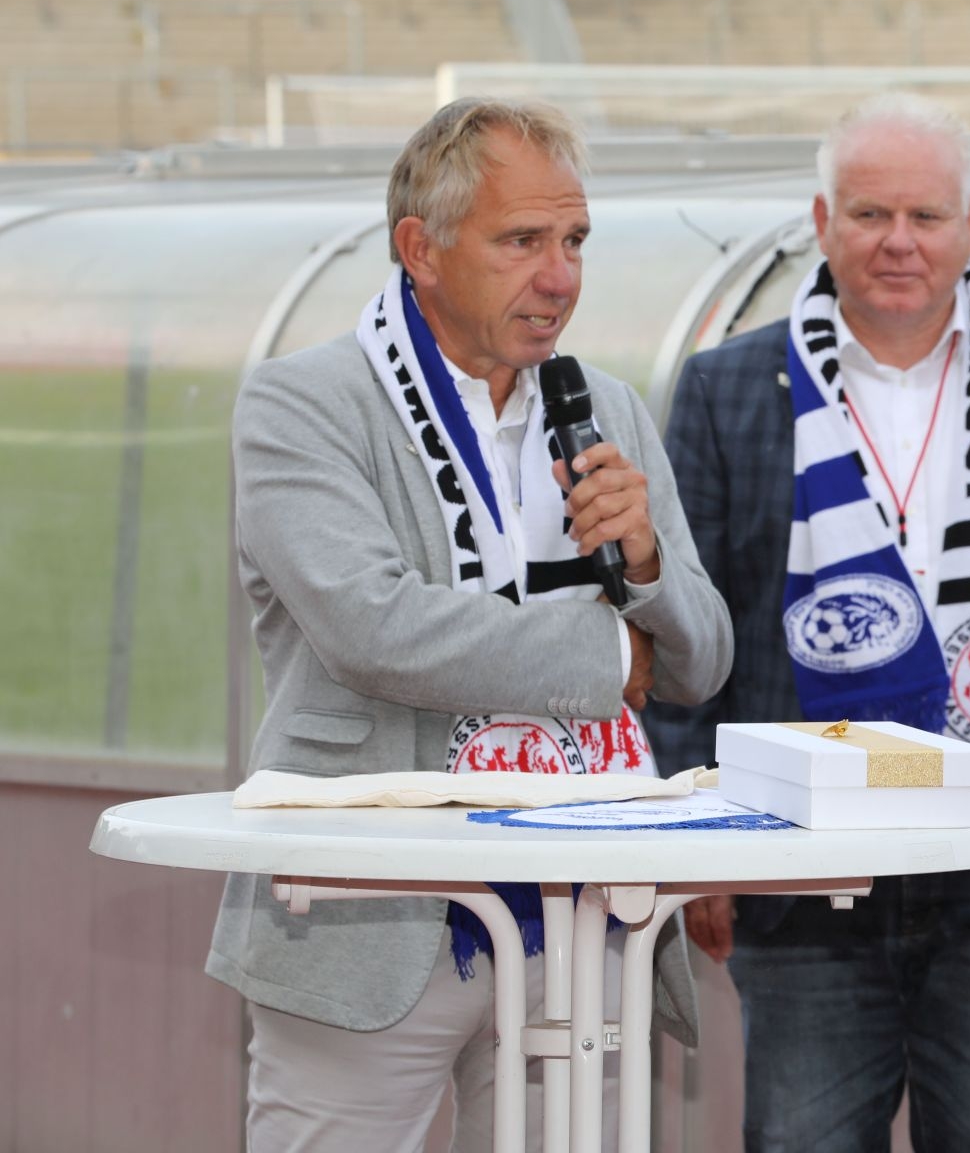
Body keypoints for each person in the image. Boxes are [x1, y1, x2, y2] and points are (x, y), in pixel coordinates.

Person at [645, 93, 970, 1152]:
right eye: (870, 213)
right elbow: (686, 629)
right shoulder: (727, 386)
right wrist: (693, 841)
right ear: (822, 221)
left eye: (926, 216)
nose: (899, 241)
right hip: (799, 866)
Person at [206, 98, 733, 1151]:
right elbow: (378, 629)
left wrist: (646, 567)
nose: (560, 276)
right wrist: (609, 651)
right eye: (522, 241)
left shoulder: (608, 407)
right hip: (364, 914)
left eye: (575, 240)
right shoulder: (302, 405)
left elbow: (703, 660)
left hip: (581, 916)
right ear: (423, 248)